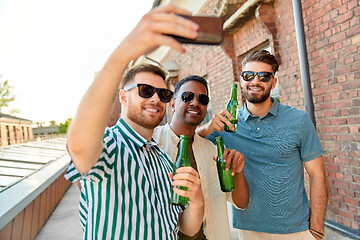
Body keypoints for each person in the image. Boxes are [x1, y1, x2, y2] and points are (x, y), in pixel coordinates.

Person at [65, 5, 205, 239]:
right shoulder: (108, 146)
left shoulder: (163, 159)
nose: (155, 98)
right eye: (145, 90)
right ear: (123, 96)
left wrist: (197, 199)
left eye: (163, 94)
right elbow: (79, 145)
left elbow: (186, 228)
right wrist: (123, 54)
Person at [197, 50, 328, 240]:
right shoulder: (226, 124)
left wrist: (316, 229)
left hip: (296, 229)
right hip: (248, 230)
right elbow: (188, 141)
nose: (255, 81)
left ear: (273, 82)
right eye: (248, 75)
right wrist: (206, 128)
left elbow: (317, 175)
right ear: (241, 81)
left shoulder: (298, 120)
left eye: (264, 76)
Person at [153, 75, 250, 240]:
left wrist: (239, 171)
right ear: (173, 103)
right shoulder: (152, 142)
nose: (195, 103)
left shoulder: (212, 150)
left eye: (203, 99)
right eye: (187, 96)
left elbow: (241, 203)